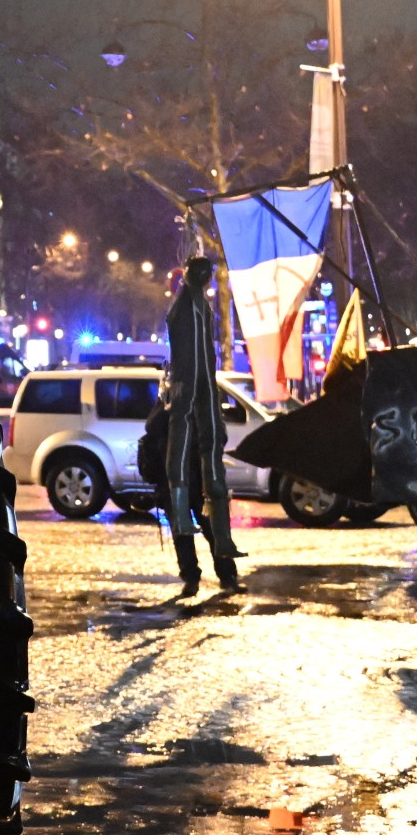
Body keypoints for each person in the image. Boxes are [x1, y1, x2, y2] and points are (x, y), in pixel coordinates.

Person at [164, 255, 239, 597]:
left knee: (203, 522)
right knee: (192, 523)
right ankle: (197, 574)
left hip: (198, 477)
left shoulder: (195, 307)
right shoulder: (186, 307)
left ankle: (220, 571)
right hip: (189, 478)